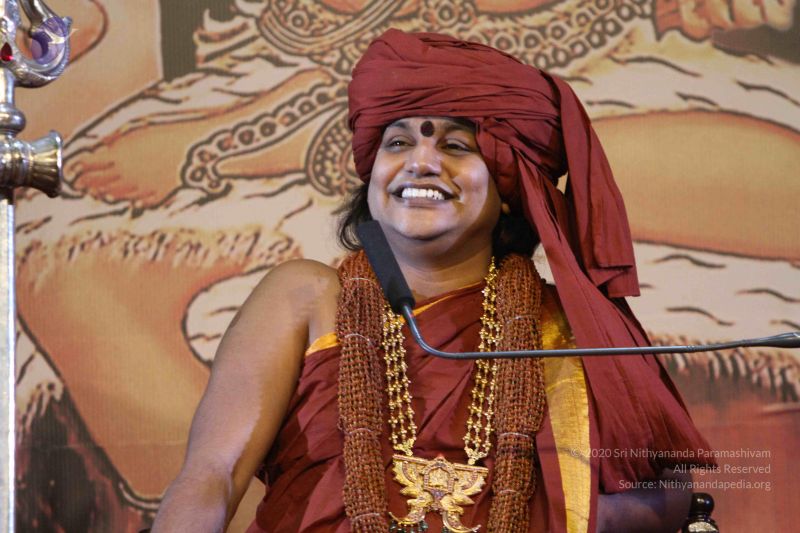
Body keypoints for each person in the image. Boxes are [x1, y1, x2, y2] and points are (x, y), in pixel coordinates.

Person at [151, 29, 714, 532]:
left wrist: (572, 506)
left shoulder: (563, 330)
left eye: (455, 145)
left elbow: (664, 493)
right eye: (398, 143)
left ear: (508, 186)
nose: (420, 162)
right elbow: (212, 476)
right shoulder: (306, 296)